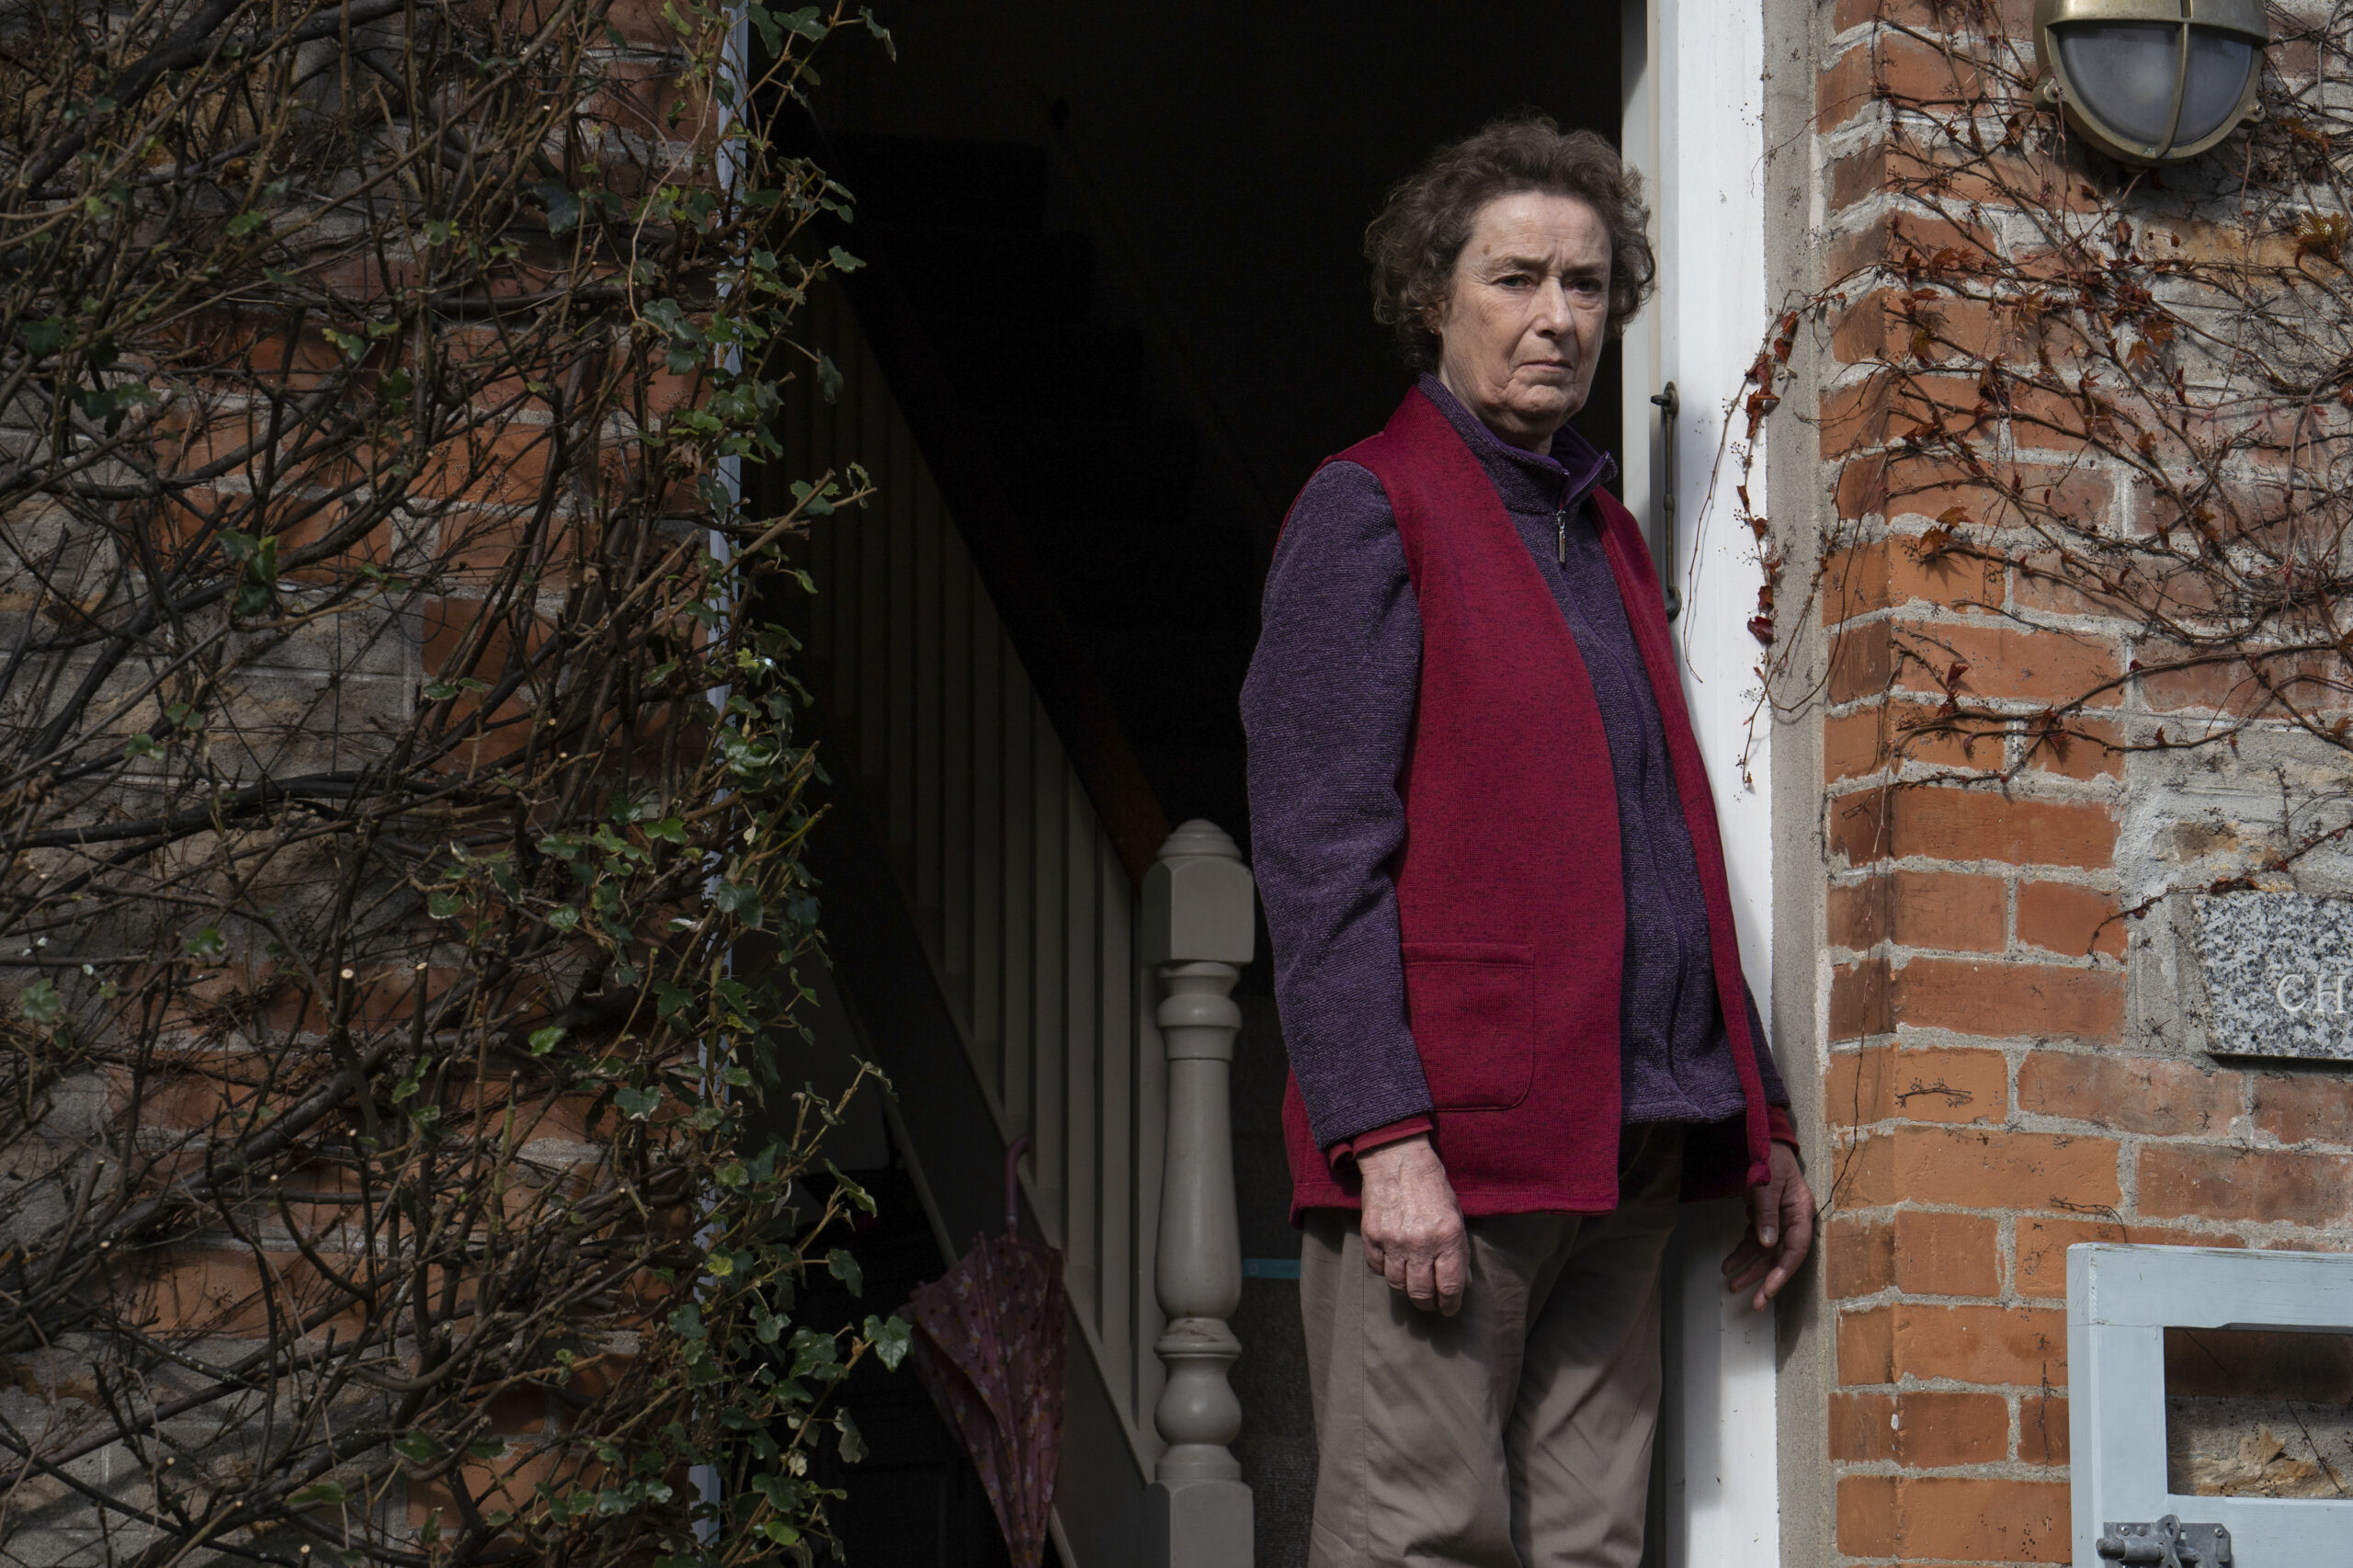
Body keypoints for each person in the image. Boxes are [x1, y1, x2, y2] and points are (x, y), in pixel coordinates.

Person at [1240, 114, 1816, 1568]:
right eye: (1516, 279)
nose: (1559, 317)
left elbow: (1667, 839)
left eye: (1588, 283)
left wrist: (1761, 1116)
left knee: (1590, 1548)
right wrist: (1386, 1140)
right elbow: (1316, 855)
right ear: (1432, 295)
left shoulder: (1603, 530)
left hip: (1627, 1144)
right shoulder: (1370, 508)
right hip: (1454, 1144)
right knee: (1414, 1538)